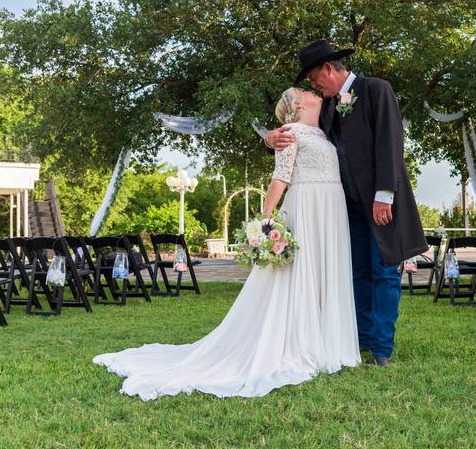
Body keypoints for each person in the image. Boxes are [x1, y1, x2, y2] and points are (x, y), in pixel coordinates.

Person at [94, 87, 359, 399]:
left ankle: (326, 339)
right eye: (303, 89)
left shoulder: (324, 130)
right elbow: (280, 177)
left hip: (332, 207)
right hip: (307, 206)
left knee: (326, 272)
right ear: (298, 102)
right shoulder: (289, 133)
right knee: (301, 273)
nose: (311, 90)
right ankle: (300, 342)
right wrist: (264, 220)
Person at [265, 39, 427, 367]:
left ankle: (382, 350)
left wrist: (384, 197)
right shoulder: (326, 105)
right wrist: (270, 138)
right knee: (358, 272)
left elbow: (390, 144)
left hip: (383, 203)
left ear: (328, 68)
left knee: (384, 272)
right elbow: (299, 134)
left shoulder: (377, 90)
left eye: (314, 79)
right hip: (348, 207)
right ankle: (363, 338)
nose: (314, 86)